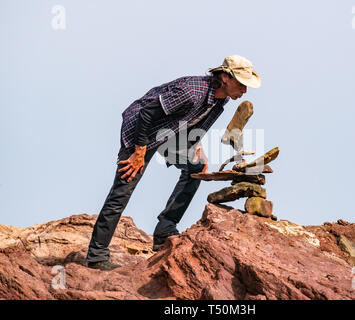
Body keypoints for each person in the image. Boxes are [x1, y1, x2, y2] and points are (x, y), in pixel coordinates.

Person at [85, 55, 261, 270]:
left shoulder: (220, 99)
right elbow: (146, 113)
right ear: (225, 77)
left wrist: (197, 149)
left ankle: (165, 230)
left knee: (196, 168)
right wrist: (139, 153)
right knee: (123, 189)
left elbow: (195, 122)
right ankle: (96, 257)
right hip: (140, 133)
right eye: (242, 84)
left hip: (169, 135)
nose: (244, 91)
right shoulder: (192, 91)